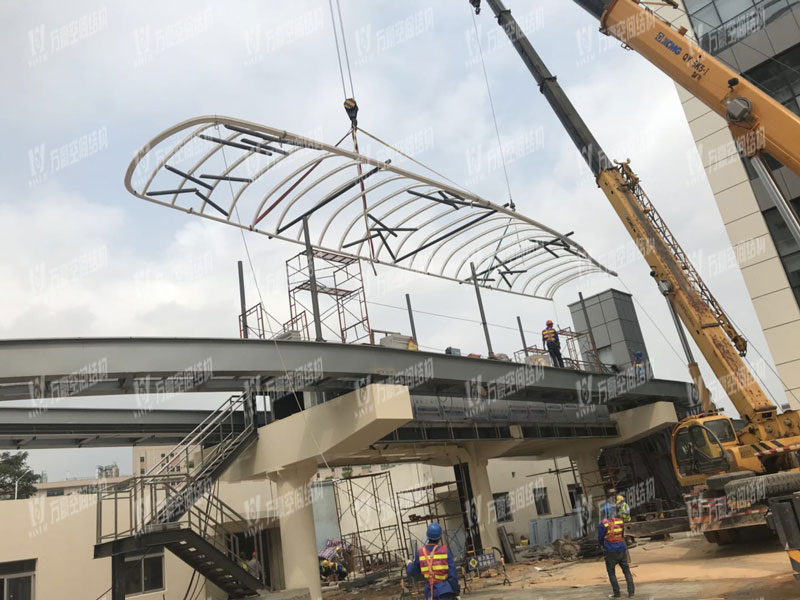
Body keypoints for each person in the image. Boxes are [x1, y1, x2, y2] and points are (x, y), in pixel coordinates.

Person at [406, 523, 460, 599]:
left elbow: (414, 572)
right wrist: (456, 592)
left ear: (427, 536)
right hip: (445, 591)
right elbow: (453, 574)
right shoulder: (445, 551)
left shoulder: (420, 553)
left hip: (430, 593)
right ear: (440, 537)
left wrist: (409, 564)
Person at [598, 503, 635, 598]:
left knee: (611, 573)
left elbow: (600, 538)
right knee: (626, 571)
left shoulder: (603, 524)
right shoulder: (620, 521)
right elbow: (622, 534)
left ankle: (617, 593)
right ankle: (631, 592)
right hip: (621, 548)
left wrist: (603, 546)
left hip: (610, 550)